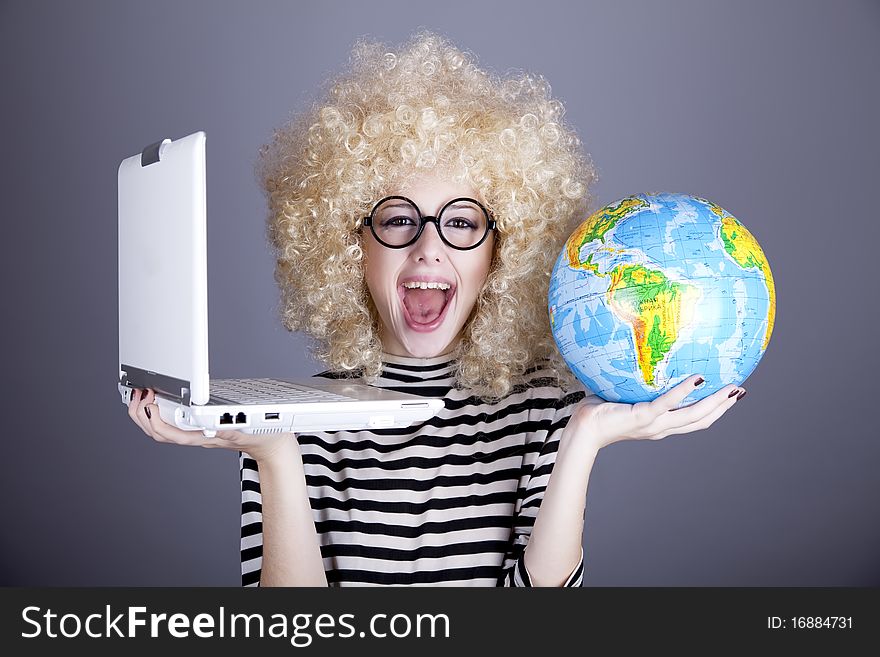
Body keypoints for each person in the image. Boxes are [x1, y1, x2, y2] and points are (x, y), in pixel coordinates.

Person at [126, 31, 745, 587]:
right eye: (399, 220)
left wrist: (582, 438)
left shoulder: (543, 410)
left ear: (502, 252)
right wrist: (276, 451)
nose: (429, 248)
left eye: (462, 223)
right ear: (351, 244)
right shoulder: (289, 418)